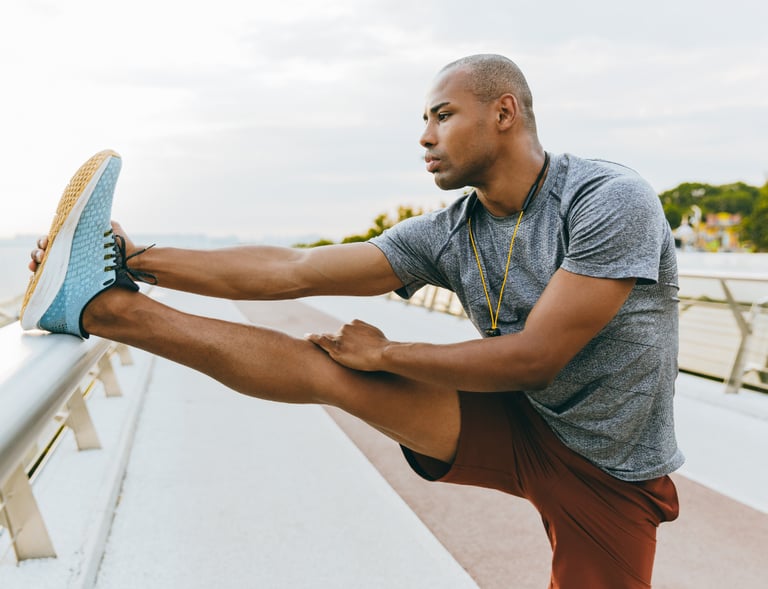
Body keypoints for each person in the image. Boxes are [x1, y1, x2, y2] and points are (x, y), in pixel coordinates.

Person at [22, 54, 683, 588]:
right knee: (330, 371)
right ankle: (101, 305)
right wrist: (130, 256)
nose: (425, 137)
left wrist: (390, 352)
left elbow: (538, 355)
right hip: (518, 418)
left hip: (610, 470)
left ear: (504, 112)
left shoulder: (606, 200)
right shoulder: (449, 232)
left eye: (443, 116)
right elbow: (293, 269)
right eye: (423, 120)